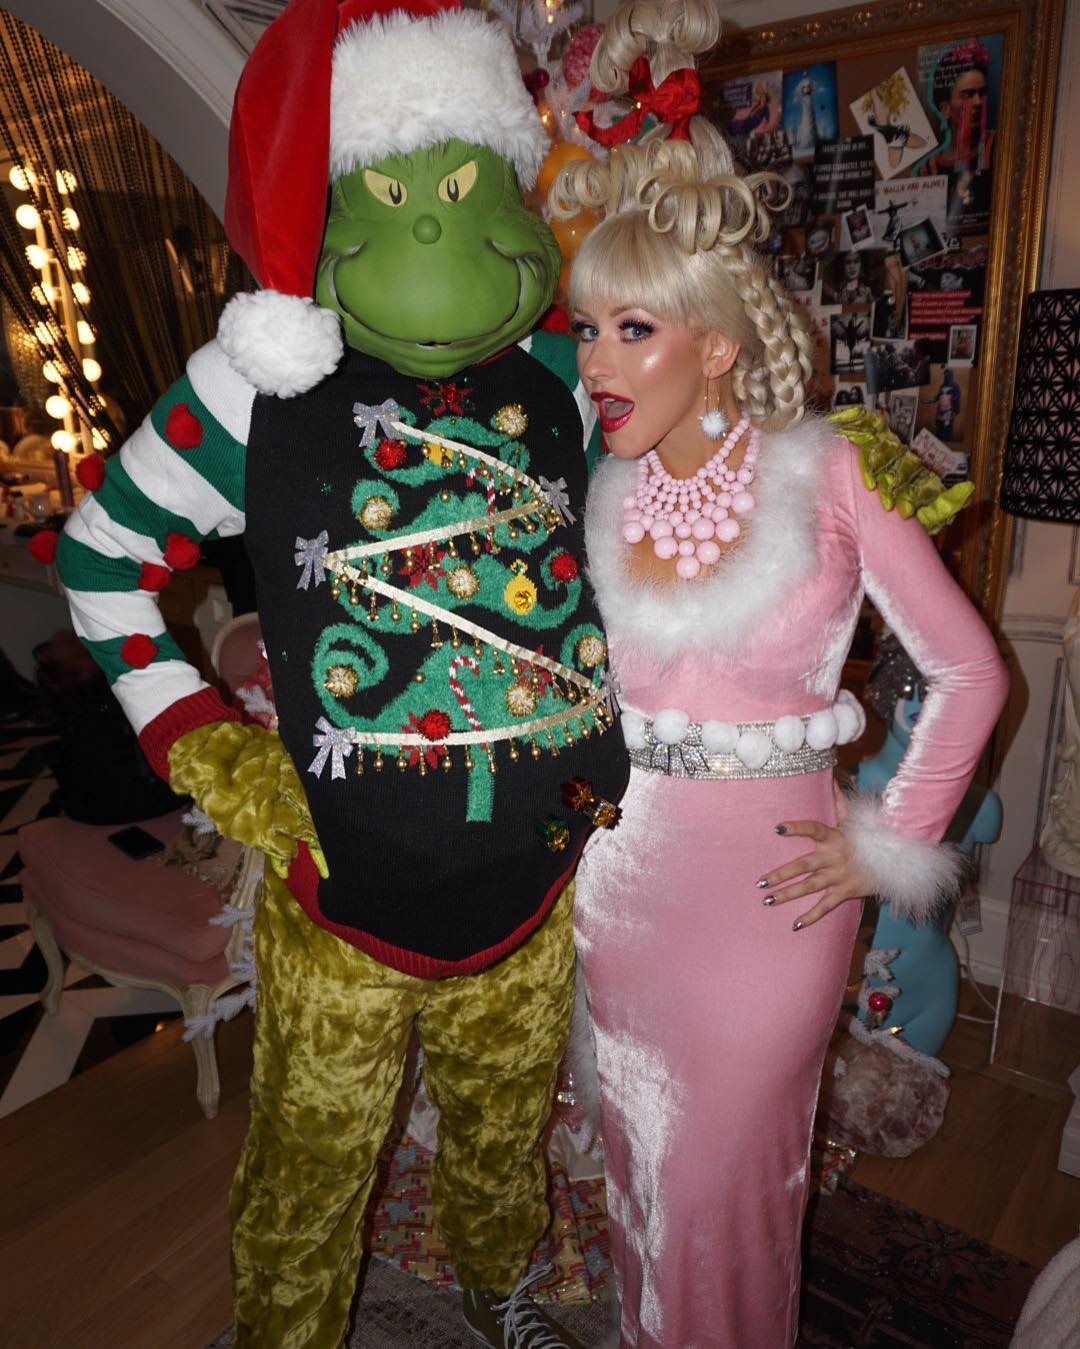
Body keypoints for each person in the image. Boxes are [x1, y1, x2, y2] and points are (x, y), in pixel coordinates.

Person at [42, 2, 628, 1346]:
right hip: (339, 912)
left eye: (466, 190)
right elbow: (100, 558)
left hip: (539, 882)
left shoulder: (570, 371)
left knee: (502, 1138)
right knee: (309, 1181)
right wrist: (209, 749)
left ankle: (501, 1291)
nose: (436, 237)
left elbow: (666, 529)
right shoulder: (251, 386)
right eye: (397, 195)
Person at [549, 1, 1009, 1344]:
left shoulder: (828, 472)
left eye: (631, 328)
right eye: (588, 329)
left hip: (770, 899)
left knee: (725, 1187)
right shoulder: (602, 491)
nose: (595, 362)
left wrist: (891, 839)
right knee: (639, 1173)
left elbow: (972, 672)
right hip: (622, 886)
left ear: (718, 343)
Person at [916, 37, 995, 176]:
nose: (978, 102)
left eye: (982, 93)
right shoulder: (929, 167)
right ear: (945, 109)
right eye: (968, 95)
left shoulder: (996, 146)